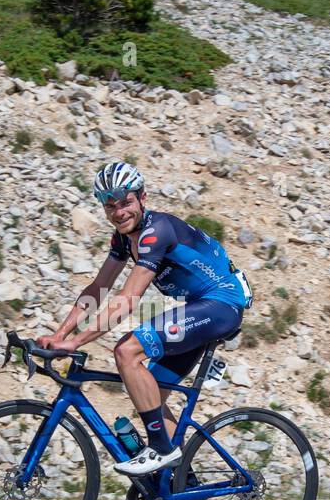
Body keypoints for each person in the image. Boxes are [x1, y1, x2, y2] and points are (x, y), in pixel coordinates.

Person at [39, 162, 253, 476]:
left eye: (125, 202)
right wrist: (60, 335)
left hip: (220, 304)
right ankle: (177, 485)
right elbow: (99, 288)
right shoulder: (123, 239)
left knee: (127, 351)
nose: (119, 212)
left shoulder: (157, 231)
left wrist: (73, 343)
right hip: (199, 307)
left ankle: (162, 451)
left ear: (143, 198)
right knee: (149, 393)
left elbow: (127, 299)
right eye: (110, 206)